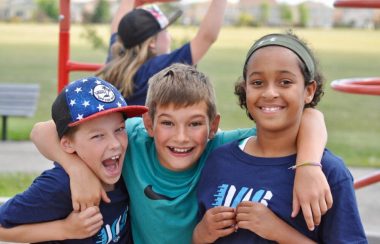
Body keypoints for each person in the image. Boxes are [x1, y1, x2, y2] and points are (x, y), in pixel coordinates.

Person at [31, 64, 331, 243]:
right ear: (149, 123)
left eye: (195, 124)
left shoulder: (224, 148)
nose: (181, 137)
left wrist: (308, 165)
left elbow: (309, 116)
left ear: (213, 125)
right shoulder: (132, 138)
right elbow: (42, 130)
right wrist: (77, 169)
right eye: (167, 123)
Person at [194, 32, 367, 243]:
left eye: (285, 82)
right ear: (245, 88)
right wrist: (201, 234)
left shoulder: (328, 172)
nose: (269, 93)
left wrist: (279, 232)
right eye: (257, 82)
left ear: (309, 91)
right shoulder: (218, 161)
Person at [0, 77, 148, 243]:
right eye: (98, 135)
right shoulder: (59, 185)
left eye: (119, 129)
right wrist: (64, 229)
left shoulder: (127, 168)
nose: (115, 144)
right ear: (68, 144)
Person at [96, 0, 228, 105]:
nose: (170, 37)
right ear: (152, 42)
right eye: (166, 31)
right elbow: (207, 37)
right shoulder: (157, 68)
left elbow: (117, 29)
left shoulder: (116, 56)